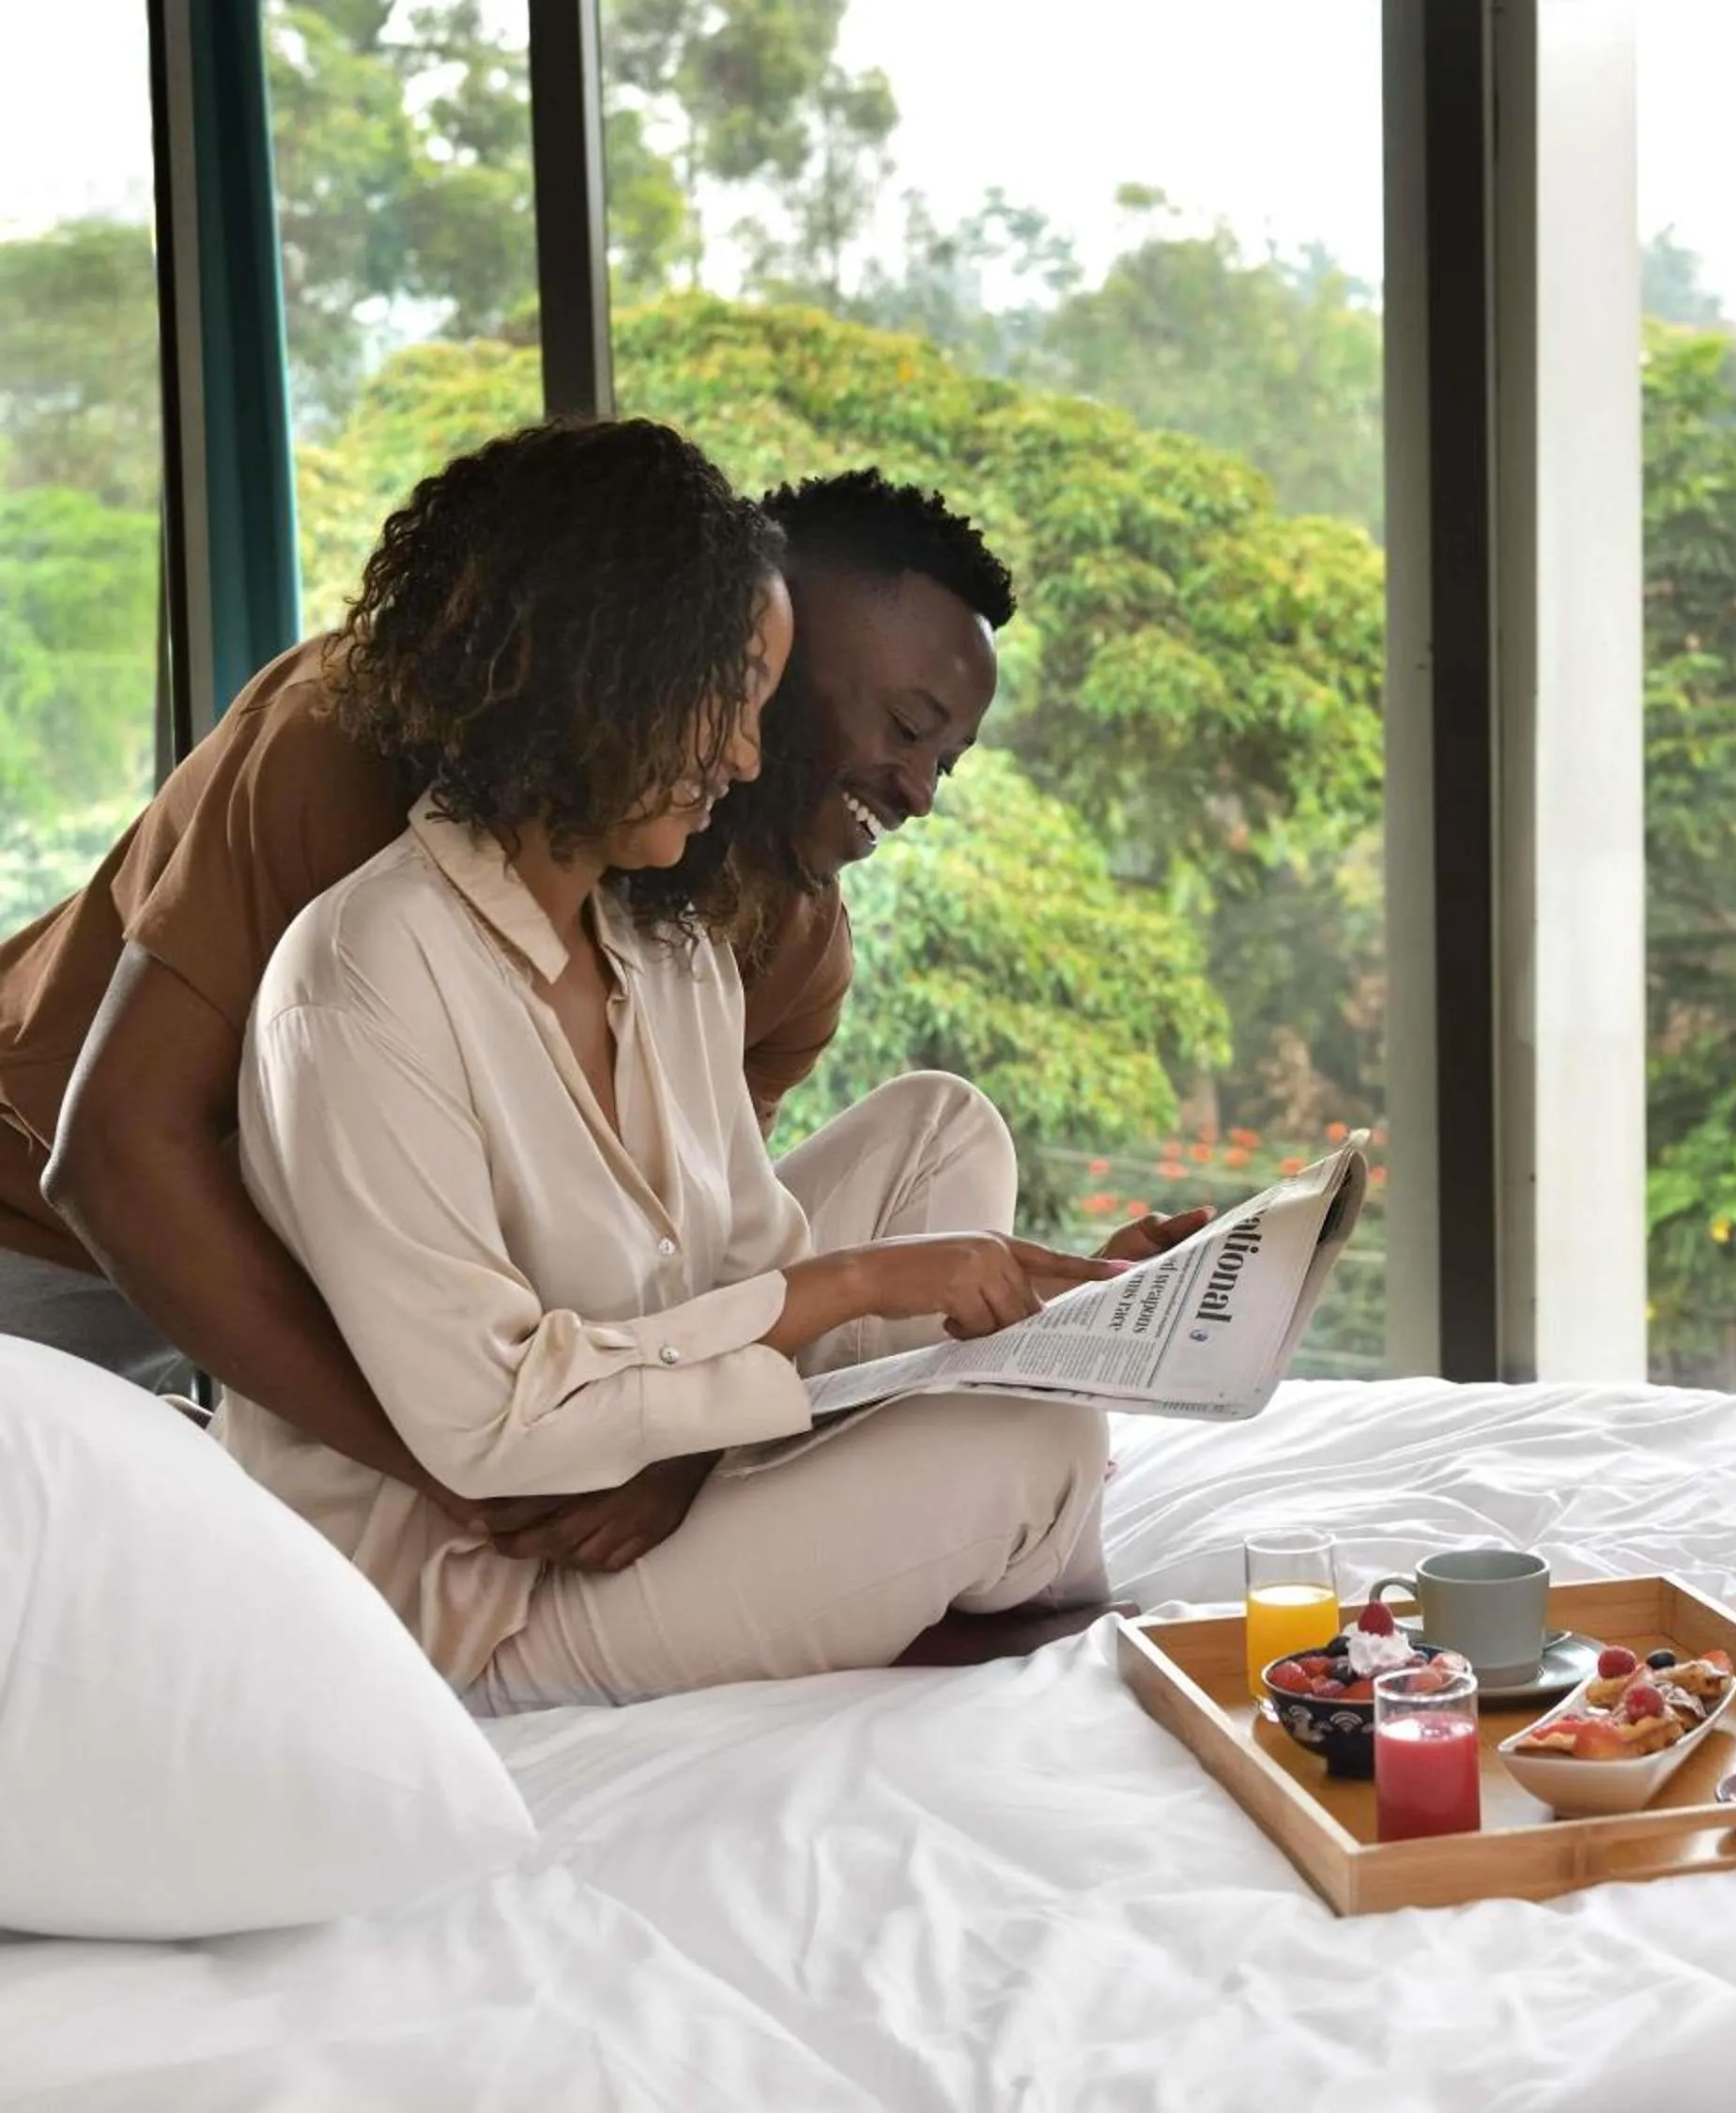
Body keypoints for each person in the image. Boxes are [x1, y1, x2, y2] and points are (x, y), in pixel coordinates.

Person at [0, 447, 1202, 1576]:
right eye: (904, 729)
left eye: (951, 760)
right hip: (52, 1216)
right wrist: (461, 1466)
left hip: (397, 1308)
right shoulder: (352, 741)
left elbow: (674, 1261)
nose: (921, 791)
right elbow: (116, 1158)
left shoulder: (769, 929)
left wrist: (672, 1453)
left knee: (944, 1130)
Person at [215, 417, 1120, 1708]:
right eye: (731, 701)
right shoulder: (363, 976)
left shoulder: (666, 941)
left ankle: (929, 1535)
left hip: (649, 1470)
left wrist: (1052, 1306)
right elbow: (488, 1426)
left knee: (939, 1126)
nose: (748, 757)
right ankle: (964, 1560)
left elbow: (740, 1267)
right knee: (1030, 1446)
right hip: (477, 1598)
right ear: (605, 670)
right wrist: (860, 1284)